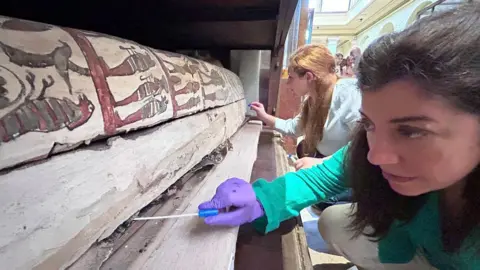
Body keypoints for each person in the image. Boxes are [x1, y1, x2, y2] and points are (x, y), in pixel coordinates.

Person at [199, 3, 480, 269]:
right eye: (369, 124)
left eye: (411, 131)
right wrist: (261, 200)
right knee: (333, 221)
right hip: (415, 243)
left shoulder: (343, 97)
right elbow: (323, 176)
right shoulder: (348, 133)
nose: (375, 156)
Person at [249, 44, 360, 211]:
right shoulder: (313, 101)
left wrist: (320, 163)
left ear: (309, 77)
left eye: (292, 78)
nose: (288, 84)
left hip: (348, 171)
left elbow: (363, 145)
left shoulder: (347, 94)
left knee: (325, 203)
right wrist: (264, 116)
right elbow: (293, 127)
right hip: (327, 162)